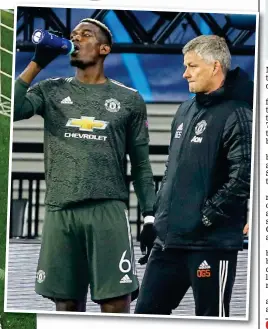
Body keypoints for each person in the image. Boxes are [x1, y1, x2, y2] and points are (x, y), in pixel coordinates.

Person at [14, 18, 156, 313]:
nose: (76, 38)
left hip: (107, 210)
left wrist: (150, 217)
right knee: (65, 303)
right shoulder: (49, 90)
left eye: (85, 35)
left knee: (116, 302)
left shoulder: (129, 99)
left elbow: (141, 164)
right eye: (73, 35)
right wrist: (36, 64)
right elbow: (9, 110)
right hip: (60, 210)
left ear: (104, 48)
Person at [135, 35, 253, 317]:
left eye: (192, 66)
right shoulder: (185, 109)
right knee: (145, 315)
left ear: (215, 67)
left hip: (211, 244)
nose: (184, 73)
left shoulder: (239, 112)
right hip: (168, 242)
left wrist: (205, 217)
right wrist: (156, 218)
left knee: (212, 319)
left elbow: (244, 175)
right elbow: (172, 170)